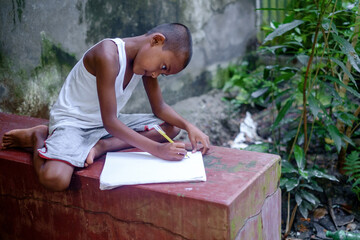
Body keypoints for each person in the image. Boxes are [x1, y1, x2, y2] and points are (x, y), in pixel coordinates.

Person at [1, 23, 210, 191]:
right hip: (75, 123)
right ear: (156, 40)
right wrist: (157, 150)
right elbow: (111, 122)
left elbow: (160, 107)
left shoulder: (146, 67)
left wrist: (189, 126)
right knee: (55, 179)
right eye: (163, 67)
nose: (156, 74)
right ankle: (38, 136)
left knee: (171, 128)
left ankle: (100, 147)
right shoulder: (108, 54)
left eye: (163, 73)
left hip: (103, 125)